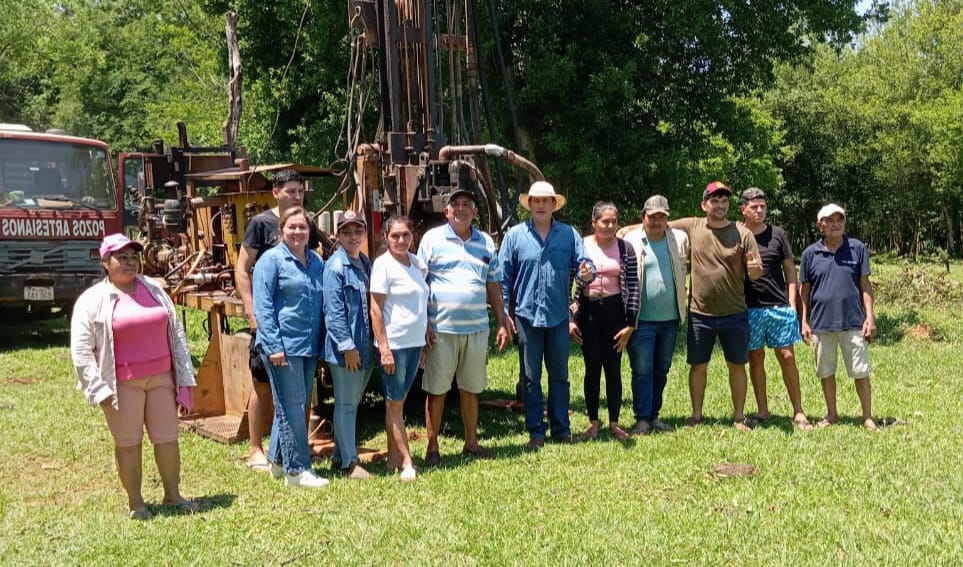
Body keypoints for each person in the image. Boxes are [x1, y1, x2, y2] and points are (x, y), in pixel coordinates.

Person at [71, 233, 198, 519]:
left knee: (167, 438)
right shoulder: (92, 300)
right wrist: (98, 389)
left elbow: (176, 333)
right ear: (105, 262)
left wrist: (185, 381)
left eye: (133, 257)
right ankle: (136, 503)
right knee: (128, 443)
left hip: (162, 379)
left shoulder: (153, 288)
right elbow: (81, 350)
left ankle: (172, 495)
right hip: (121, 385)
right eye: (122, 258)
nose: (130, 263)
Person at [418, 189, 512, 466]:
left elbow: (493, 285)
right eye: (455, 204)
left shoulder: (485, 242)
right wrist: (424, 323)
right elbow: (419, 285)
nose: (461, 208)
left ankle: (471, 443)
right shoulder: (432, 239)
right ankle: (432, 447)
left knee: (471, 389)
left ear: (474, 211)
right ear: (446, 211)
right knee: (437, 390)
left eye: (467, 205)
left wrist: (502, 321)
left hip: (476, 329)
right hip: (441, 329)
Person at [235, 169, 320, 473]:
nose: (296, 196)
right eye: (290, 191)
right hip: (270, 323)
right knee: (263, 385)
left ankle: (286, 452)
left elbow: (316, 262)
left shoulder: (304, 223)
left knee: (300, 392)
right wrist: (252, 310)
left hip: (300, 331)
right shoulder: (261, 224)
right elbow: (242, 268)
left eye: (300, 191)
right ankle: (256, 447)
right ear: (276, 192)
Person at [500, 181, 595, 450]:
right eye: (536, 201)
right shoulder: (515, 236)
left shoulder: (568, 235)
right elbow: (502, 277)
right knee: (530, 378)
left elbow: (585, 265)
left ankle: (561, 428)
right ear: (529, 204)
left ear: (554, 204)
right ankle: (535, 432)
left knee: (560, 375)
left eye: (546, 201)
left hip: (557, 317)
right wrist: (505, 315)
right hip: (526, 317)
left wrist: (588, 272)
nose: (540, 205)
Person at [668, 181, 763, 430]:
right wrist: (625, 230)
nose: (720, 205)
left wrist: (754, 269)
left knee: (737, 365)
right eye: (714, 200)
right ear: (704, 204)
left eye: (724, 201)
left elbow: (756, 271)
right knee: (698, 366)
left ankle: (739, 417)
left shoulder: (743, 233)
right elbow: (657, 225)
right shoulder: (693, 226)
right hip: (701, 313)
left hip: (735, 312)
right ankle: (696, 415)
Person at [253, 207, 328, 488]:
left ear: (310, 231)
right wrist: (273, 345)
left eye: (303, 227)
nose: (298, 232)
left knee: (294, 404)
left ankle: (277, 460)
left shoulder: (316, 262)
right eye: (292, 227)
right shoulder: (271, 261)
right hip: (282, 345)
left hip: (308, 345)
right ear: (281, 230)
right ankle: (297, 471)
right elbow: (263, 306)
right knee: (291, 406)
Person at [800, 204, 878, 431]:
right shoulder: (809, 254)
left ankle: (867, 416)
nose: (835, 224)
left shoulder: (857, 249)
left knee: (860, 371)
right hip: (821, 323)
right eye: (830, 220)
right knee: (826, 371)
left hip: (853, 321)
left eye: (839, 219)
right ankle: (831, 413)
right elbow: (804, 291)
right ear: (820, 225)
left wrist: (870, 318)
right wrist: (803, 321)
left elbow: (865, 285)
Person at [739, 188, 812, 430]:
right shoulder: (737, 235)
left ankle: (799, 411)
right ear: (743, 209)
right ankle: (762, 409)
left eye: (762, 206)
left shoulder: (778, 235)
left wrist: (792, 303)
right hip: (750, 307)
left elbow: (790, 270)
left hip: (779, 305)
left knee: (787, 356)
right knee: (756, 357)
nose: (759, 210)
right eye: (754, 206)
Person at [569, 202, 638, 440]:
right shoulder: (582, 245)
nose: (610, 226)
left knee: (613, 368)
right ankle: (593, 422)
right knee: (592, 367)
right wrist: (570, 319)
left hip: (615, 310)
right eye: (605, 221)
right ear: (594, 223)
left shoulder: (625, 248)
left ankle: (615, 422)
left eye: (613, 221)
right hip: (588, 311)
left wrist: (631, 324)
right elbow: (569, 280)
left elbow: (633, 286)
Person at [621, 195, 689, 435]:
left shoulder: (679, 239)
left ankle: (654, 415)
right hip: (641, 319)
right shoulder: (631, 240)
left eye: (662, 217)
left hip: (670, 318)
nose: (657, 221)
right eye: (652, 216)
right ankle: (641, 418)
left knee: (662, 368)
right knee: (642, 369)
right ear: (643, 217)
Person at [370, 216, 429, 481]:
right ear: (386, 237)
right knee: (395, 404)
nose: (401, 240)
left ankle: (392, 458)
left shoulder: (416, 264)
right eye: (395, 236)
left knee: (397, 403)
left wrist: (426, 332)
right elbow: (376, 309)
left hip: (414, 343)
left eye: (405, 235)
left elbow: (421, 302)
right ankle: (407, 462)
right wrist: (384, 348)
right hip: (394, 345)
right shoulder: (383, 266)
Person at [322, 211, 376, 479]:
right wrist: (347, 347)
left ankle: (338, 455)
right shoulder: (335, 268)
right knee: (347, 405)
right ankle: (350, 463)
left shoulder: (365, 264)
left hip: (365, 347)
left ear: (364, 234)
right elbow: (333, 313)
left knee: (349, 403)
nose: (353, 237)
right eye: (347, 232)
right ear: (338, 236)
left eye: (358, 232)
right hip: (347, 351)